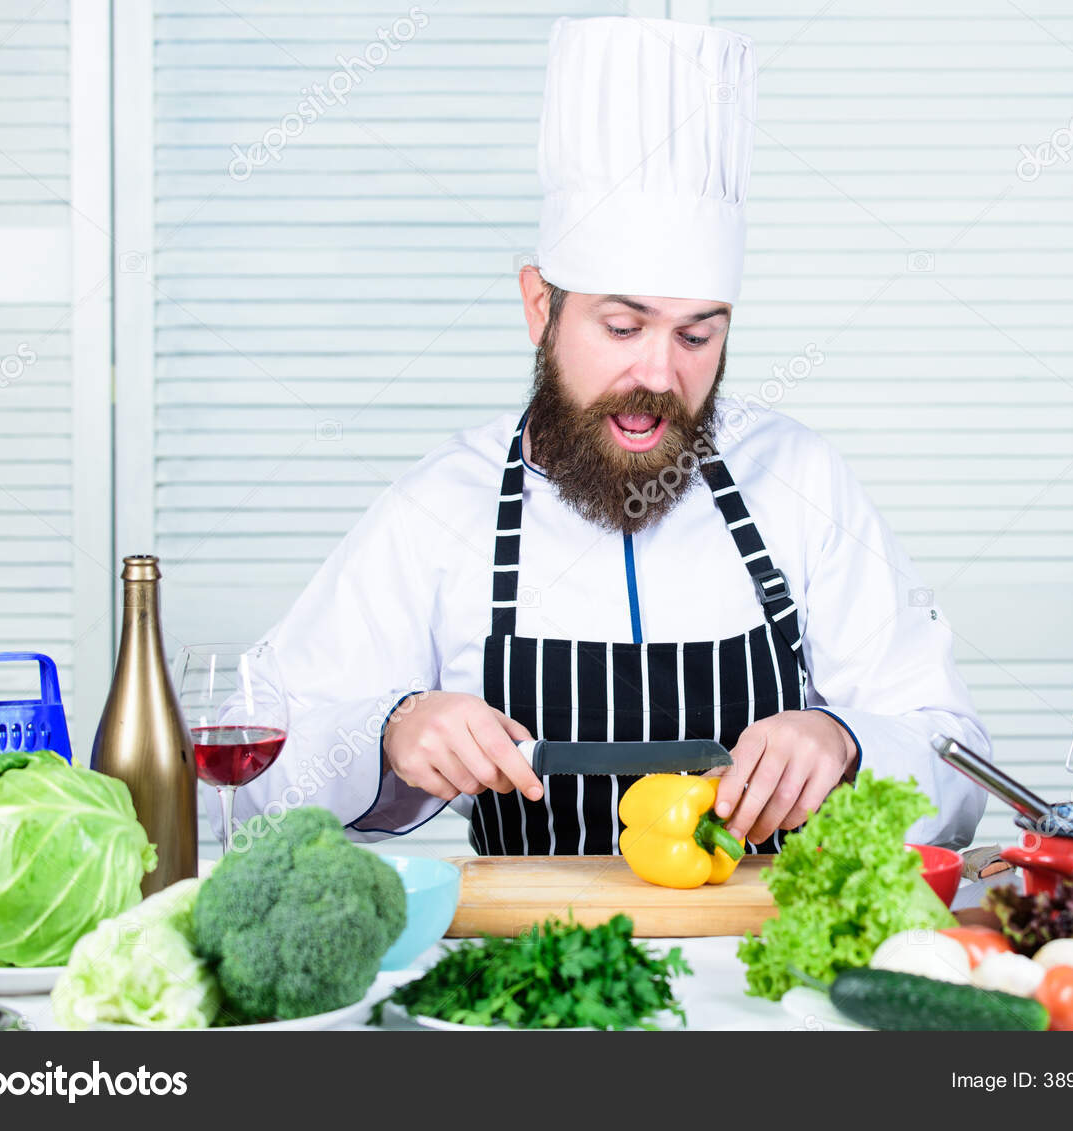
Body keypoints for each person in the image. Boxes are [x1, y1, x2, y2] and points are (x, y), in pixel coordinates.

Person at [225, 16, 990, 852]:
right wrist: (388, 732)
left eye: (697, 336)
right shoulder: (440, 505)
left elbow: (957, 766)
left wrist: (848, 745)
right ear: (538, 308)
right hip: (532, 968)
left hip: (766, 964)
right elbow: (253, 771)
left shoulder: (801, 479)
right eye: (623, 328)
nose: (661, 376)